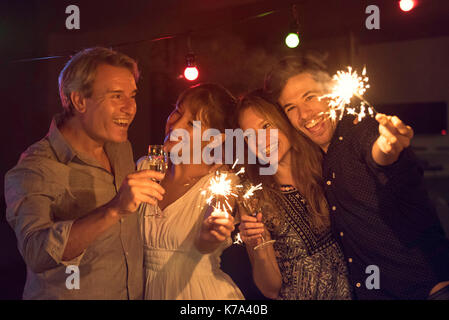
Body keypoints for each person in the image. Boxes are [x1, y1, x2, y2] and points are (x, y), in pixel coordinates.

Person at [263, 54, 449, 300]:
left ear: (331, 92)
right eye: (291, 108)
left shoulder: (363, 129)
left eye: (310, 97)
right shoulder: (320, 160)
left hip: (426, 291)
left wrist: (388, 148)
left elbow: (378, 153)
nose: (304, 114)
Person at [4, 47, 165, 299]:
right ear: (79, 101)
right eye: (116, 96)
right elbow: (35, 252)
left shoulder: (121, 148)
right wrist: (113, 210)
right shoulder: (35, 167)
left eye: (132, 95)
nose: (130, 108)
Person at [235, 90, 352, 300]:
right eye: (250, 136)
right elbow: (270, 289)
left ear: (284, 121)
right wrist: (259, 247)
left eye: (266, 126)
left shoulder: (326, 166)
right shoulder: (253, 197)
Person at [142, 83, 245, 300]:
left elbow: (207, 241)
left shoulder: (223, 183)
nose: (175, 124)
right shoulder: (144, 168)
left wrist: (210, 235)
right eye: (177, 111)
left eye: (191, 123)